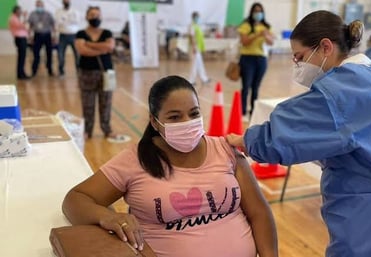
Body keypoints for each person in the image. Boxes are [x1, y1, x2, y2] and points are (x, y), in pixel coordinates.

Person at [227, 10, 371, 257]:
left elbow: (287, 131)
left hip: (369, 218)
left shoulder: (343, 89)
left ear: (325, 47)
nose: (297, 66)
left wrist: (247, 140)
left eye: (300, 57)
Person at [62, 75, 278, 257]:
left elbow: (259, 212)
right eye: (174, 117)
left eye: (194, 113)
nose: (187, 122)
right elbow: (75, 200)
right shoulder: (136, 160)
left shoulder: (225, 150)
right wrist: (108, 217)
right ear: (155, 122)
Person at [75, 6, 127, 142]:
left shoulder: (107, 33)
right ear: (87, 17)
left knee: (106, 103)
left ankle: (107, 129)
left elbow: (110, 46)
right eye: (92, 15)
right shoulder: (81, 33)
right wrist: (101, 48)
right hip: (86, 72)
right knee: (88, 104)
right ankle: (87, 131)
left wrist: (89, 44)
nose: (95, 18)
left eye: (97, 15)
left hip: (106, 73)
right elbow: (82, 50)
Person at [237, 2, 274, 122]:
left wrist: (266, 35)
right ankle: (242, 112)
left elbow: (271, 42)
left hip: (261, 59)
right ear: (252, 12)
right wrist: (257, 35)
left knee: (256, 87)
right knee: (246, 86)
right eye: (256, 11)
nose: (258, 13)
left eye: (260, 11)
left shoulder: (266, 26)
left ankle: (253, 111)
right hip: (247, 58)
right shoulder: (246, 25)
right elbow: (244, 41)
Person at [27, 0, 56, 77]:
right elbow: (30, 26)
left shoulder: (48, 14)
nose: (39, 7)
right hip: (37, 35)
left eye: (40, 6)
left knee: (49, 54)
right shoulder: (32, 14)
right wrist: (30, 36)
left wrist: (54, 36)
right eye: (37, 6)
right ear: (36, 6)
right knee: (36, 54)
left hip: (47, 35)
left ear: (43, 6)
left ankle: (50, 70)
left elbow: (53, 25)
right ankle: (34, 71)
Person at [55, 0, 80, 76]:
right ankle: (61, 71)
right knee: (60, 54)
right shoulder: (58, 11)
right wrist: (67, 20)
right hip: (63, 35)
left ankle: (79, 71)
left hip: (74, 35)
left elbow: (76, 21)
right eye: (64, 1)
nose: (66, 2)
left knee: (77, 55)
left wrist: (65, 20)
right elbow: (58, 22)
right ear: (62, 2)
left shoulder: (75, 11)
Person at [188, 11, 211, 86]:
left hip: (198, 48)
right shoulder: (192, 26)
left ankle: (204, 79)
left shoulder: (197, 26)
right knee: (194, 64)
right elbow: (192, 37)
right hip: (194, 48)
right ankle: (191, 80)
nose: (198, 18)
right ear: (194, 17)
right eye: (197, 17)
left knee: (199, 64)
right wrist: (194, 47)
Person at [8, 5, 30, 80]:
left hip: (22, 38)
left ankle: (21, 73)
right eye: (19, 11)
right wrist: (25, 17)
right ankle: (20, 74)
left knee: (22, 57)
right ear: (16, 11)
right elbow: (22, 26)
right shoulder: (13, 18)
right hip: (19, 39)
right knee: (21, 57)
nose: (20, 12)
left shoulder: (16, 18)